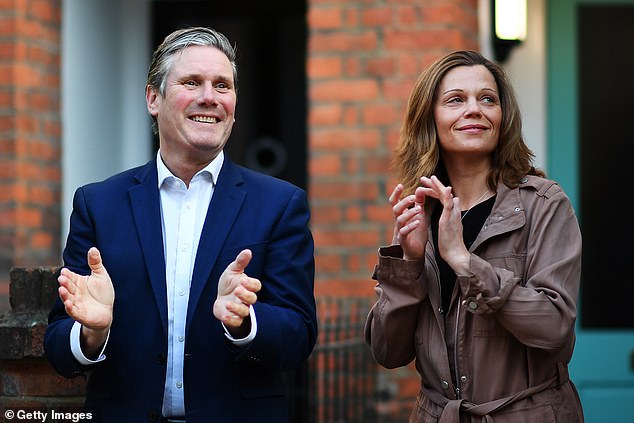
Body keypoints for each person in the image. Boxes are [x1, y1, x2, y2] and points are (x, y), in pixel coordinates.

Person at [44, 27, 317, 423]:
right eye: (192, 82)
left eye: (222, 85)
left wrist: (245, 322)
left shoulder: (280, 204)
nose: (210, 96)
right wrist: (92, 332)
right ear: (153, 99)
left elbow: (299, 337)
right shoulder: (98, 204)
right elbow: (57, 346)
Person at [364, 50, 584, 422]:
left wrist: (465, 262)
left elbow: (555, 327)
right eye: (455, 100)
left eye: (487, 99)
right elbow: (388, 352)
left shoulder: (543, 205)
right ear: (429, 118)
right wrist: (411, 263)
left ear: (502, 116)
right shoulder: (422, 211)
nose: (475, 109)